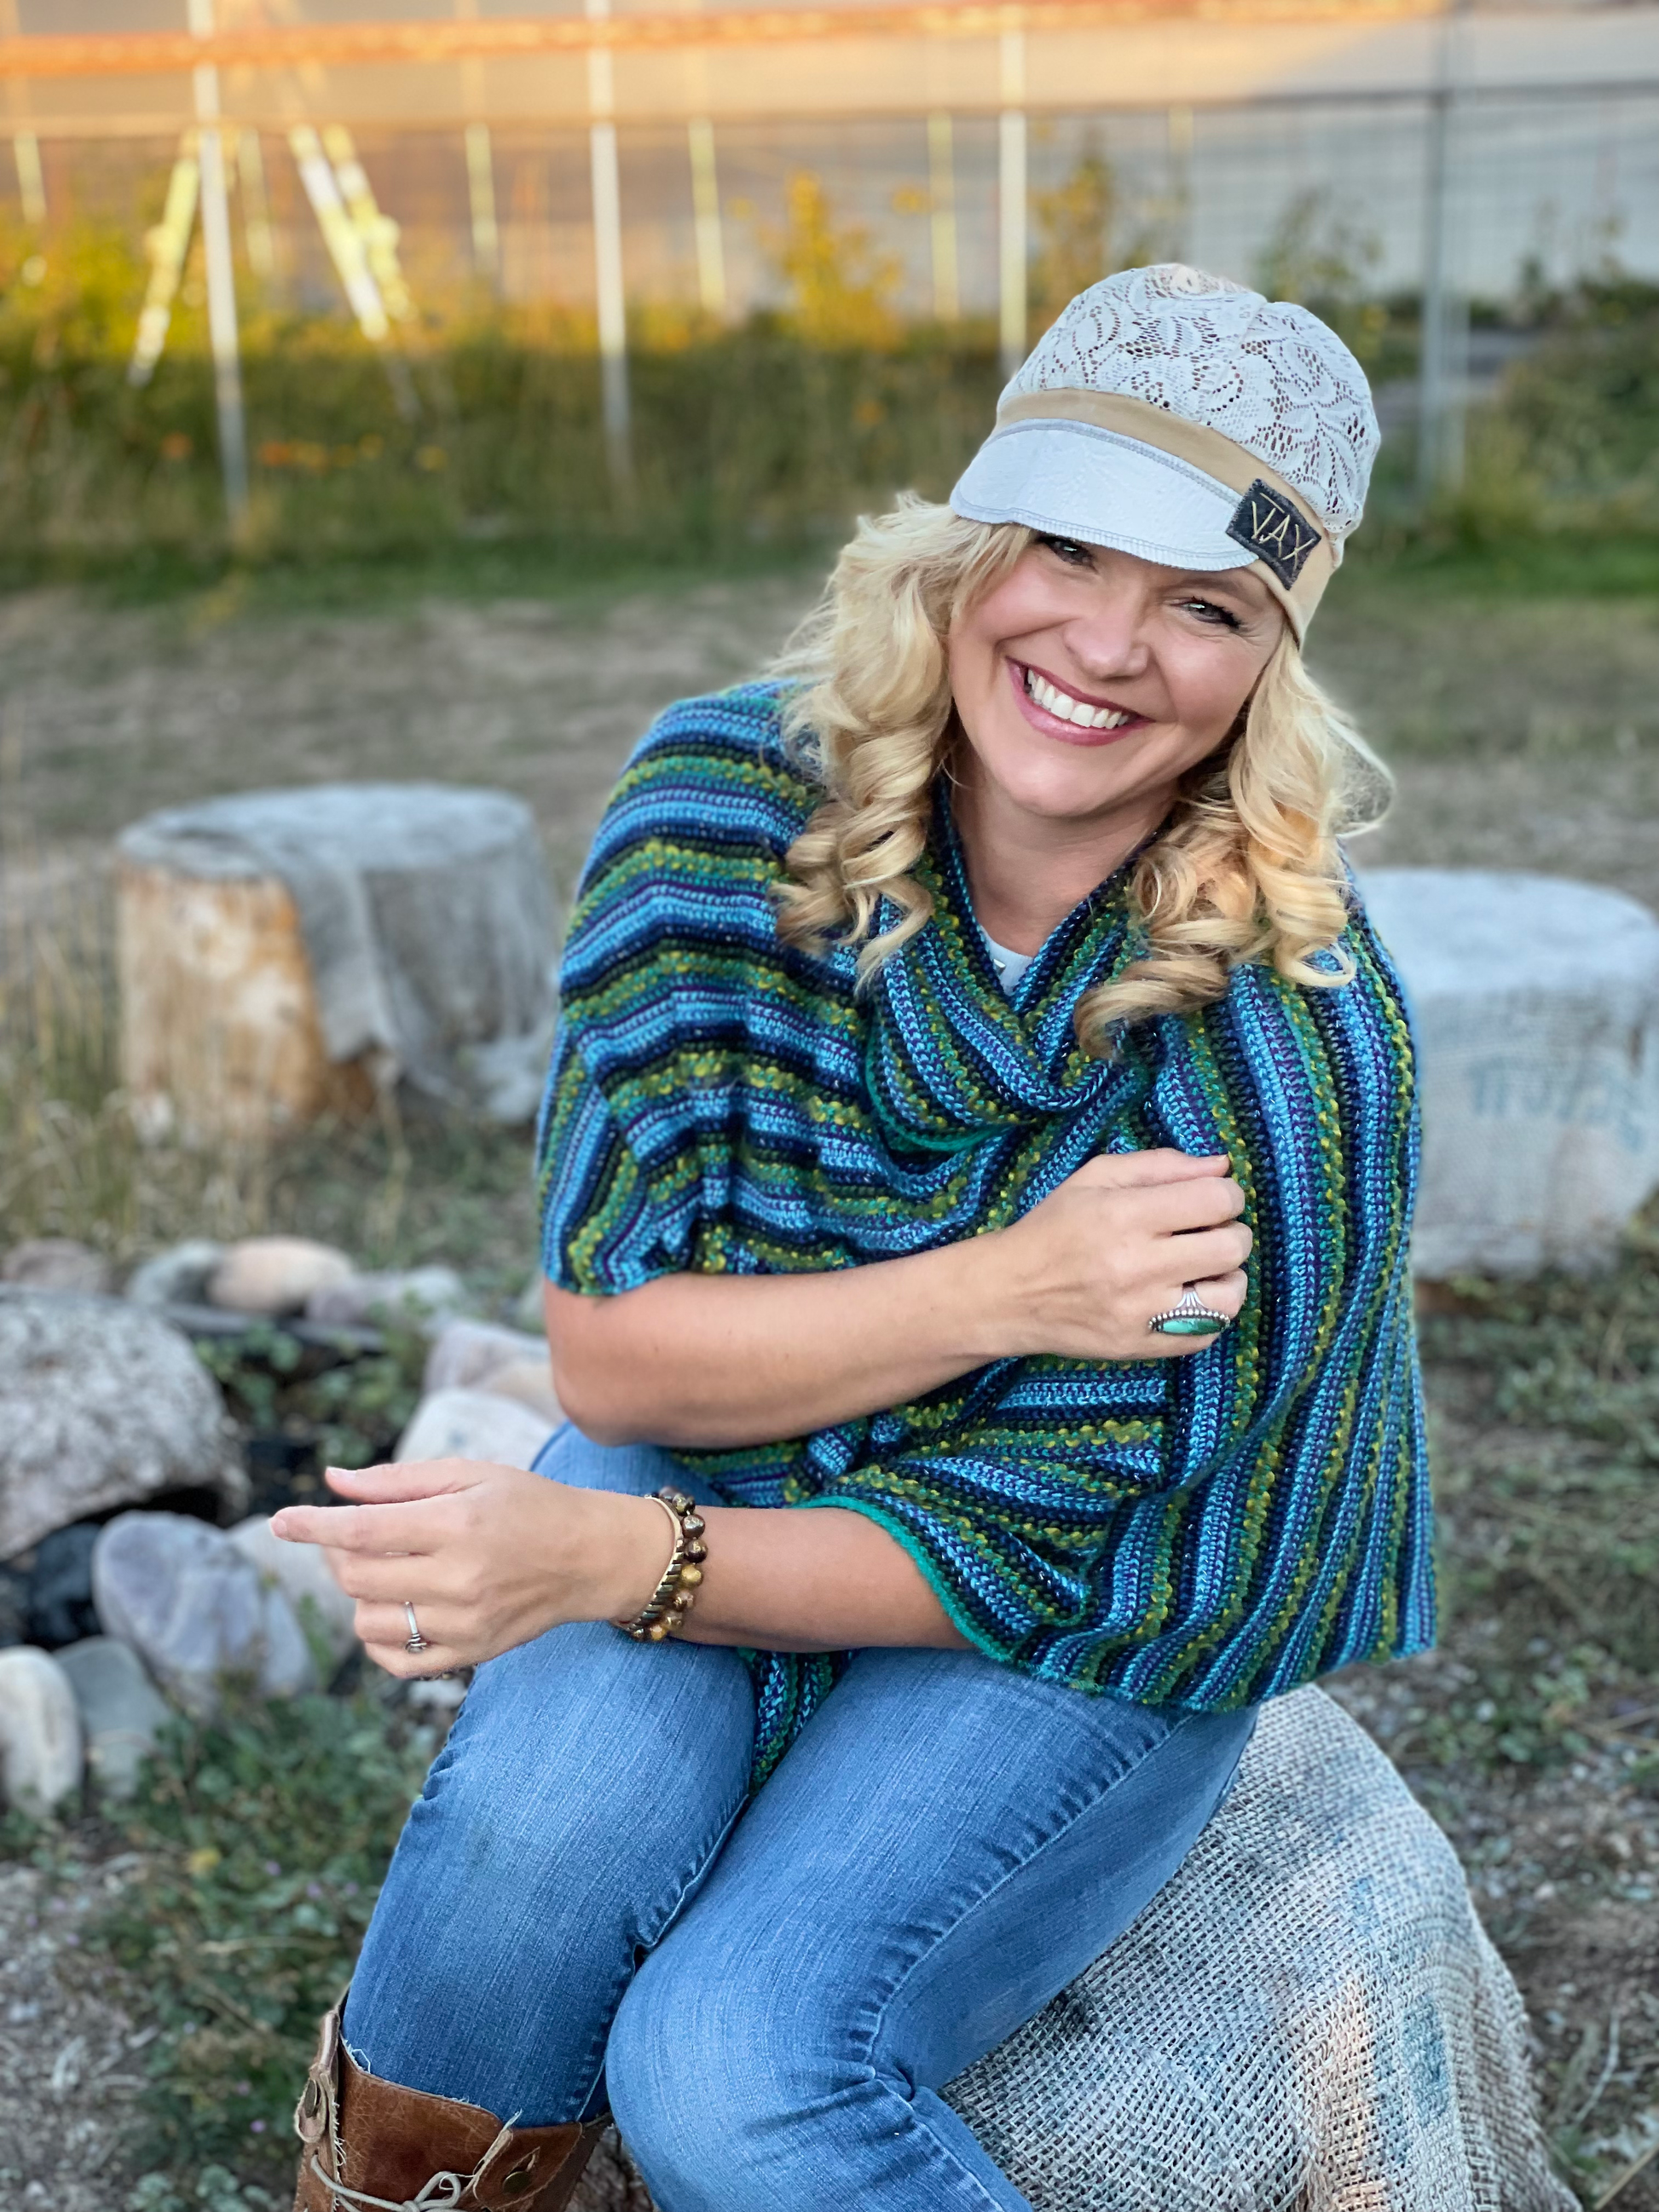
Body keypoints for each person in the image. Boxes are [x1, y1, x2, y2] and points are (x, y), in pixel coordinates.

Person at [275, 263, 1432, 2212]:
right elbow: (621, 1350)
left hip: (1099, 1600)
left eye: (1207, 601)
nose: (1108, 642)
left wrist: (609, 1553)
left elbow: (1030, 1551)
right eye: (1068, 546)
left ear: (1269, 662)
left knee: (731, 2060)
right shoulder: (717, 805)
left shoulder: (1291, 1047)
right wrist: (1016, 1285)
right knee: (542, 1822)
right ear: (964, 552)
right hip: (730, 1437)